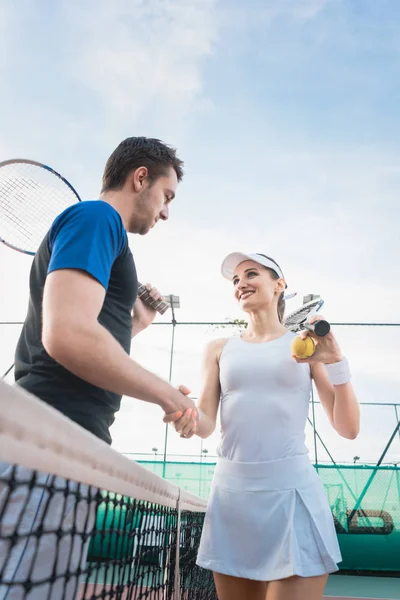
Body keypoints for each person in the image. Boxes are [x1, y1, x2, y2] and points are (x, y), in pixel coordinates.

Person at [0, 137, 196, 599]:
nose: (166, 212)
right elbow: (66, 335)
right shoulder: (98, 217)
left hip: (71, 444)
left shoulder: (104, 231)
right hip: (51, 441)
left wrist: (136, 323)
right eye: (167, 197)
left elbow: (87, 337)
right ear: (141, 178)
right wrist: (169, 395)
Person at [166, 252, 360, 600]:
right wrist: (187, 419)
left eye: (251, 274)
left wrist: (336, 362)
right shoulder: (218, 348)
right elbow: (206, 422)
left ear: (279, 286)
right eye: (236, 281)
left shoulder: (305, 347)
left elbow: (348, 428)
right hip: (231, 499)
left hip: (292, 496)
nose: (241, 284)